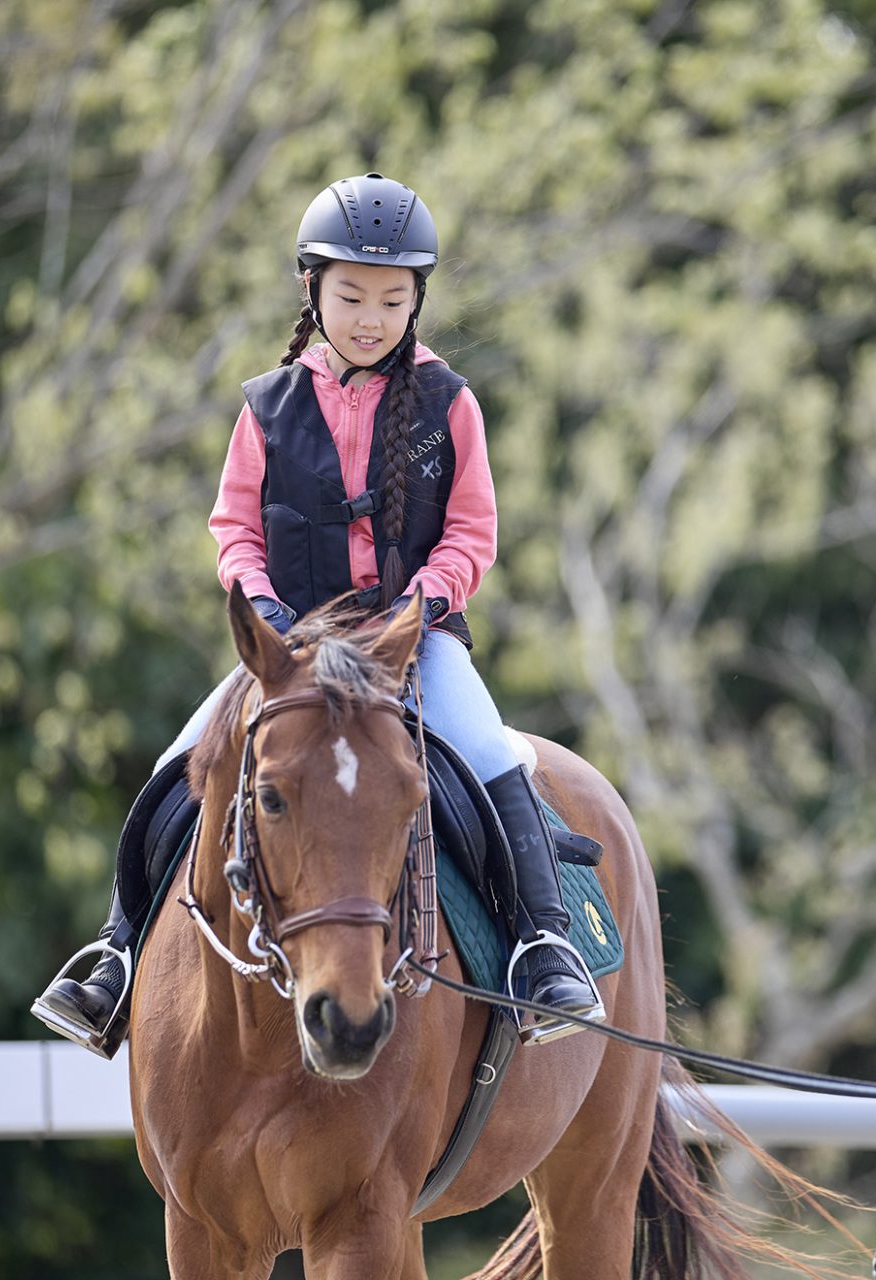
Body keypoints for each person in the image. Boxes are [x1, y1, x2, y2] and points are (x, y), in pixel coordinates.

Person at [33, 173, 604, 1051]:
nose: (369, 317)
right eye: (350, 297)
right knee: (175, 761)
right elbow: (233, 526)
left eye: (390, 299)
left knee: (491, 755)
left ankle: (541, 946)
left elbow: (473, 533)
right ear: (313, 289)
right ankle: (114, 959)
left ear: (415, 301)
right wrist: (260, 607)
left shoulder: (451, 404)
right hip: (292, 653)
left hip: (412, 646)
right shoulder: (266, 407)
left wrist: (418, 605)